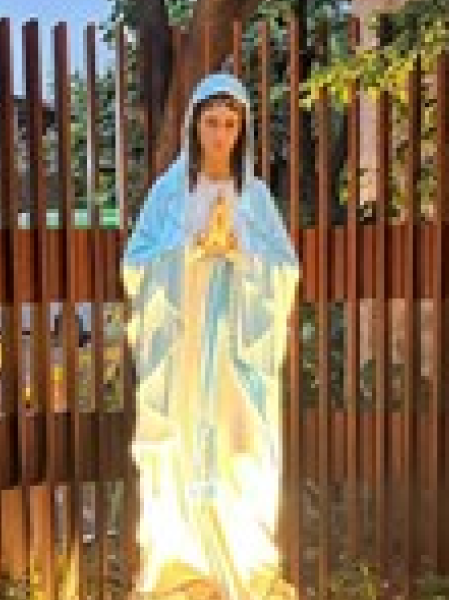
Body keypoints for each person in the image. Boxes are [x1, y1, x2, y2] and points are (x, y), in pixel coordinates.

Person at [121, 72, 300, 599]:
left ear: (242, 130)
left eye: (230, 123)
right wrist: (189, 253)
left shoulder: (257, 200)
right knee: (175, 447)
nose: (220, 134)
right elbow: (138, 266)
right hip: (182, 347)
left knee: (241, 451)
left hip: (237, 356)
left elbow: (284, 270)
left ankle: (245, 570)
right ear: (193, 126)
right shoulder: (169, 197)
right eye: (211, 122)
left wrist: (242, 256)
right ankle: (181, 570)